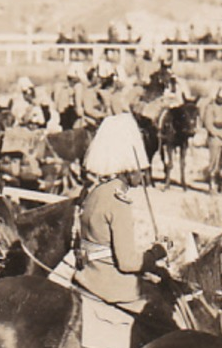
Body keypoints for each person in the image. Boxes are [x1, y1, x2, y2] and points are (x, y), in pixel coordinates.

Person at [68, 113, 166, 308]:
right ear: (128, 167)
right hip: (111, 287)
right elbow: (127, 263)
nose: (144, 172)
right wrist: (156, 252)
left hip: (87, 276)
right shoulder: (118, 202)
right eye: (141, 167)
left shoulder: (94, 192)